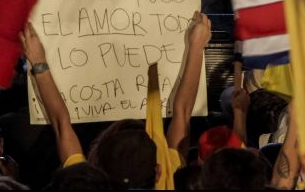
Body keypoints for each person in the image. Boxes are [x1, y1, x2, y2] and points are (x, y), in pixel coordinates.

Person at [19, 10, 211, 182]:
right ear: (159, 171)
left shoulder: (89, 186)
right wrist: (196, 47)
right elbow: (183, 112)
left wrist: (38, 61)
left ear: (98, 163)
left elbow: (62, 124)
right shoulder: (167, 181)